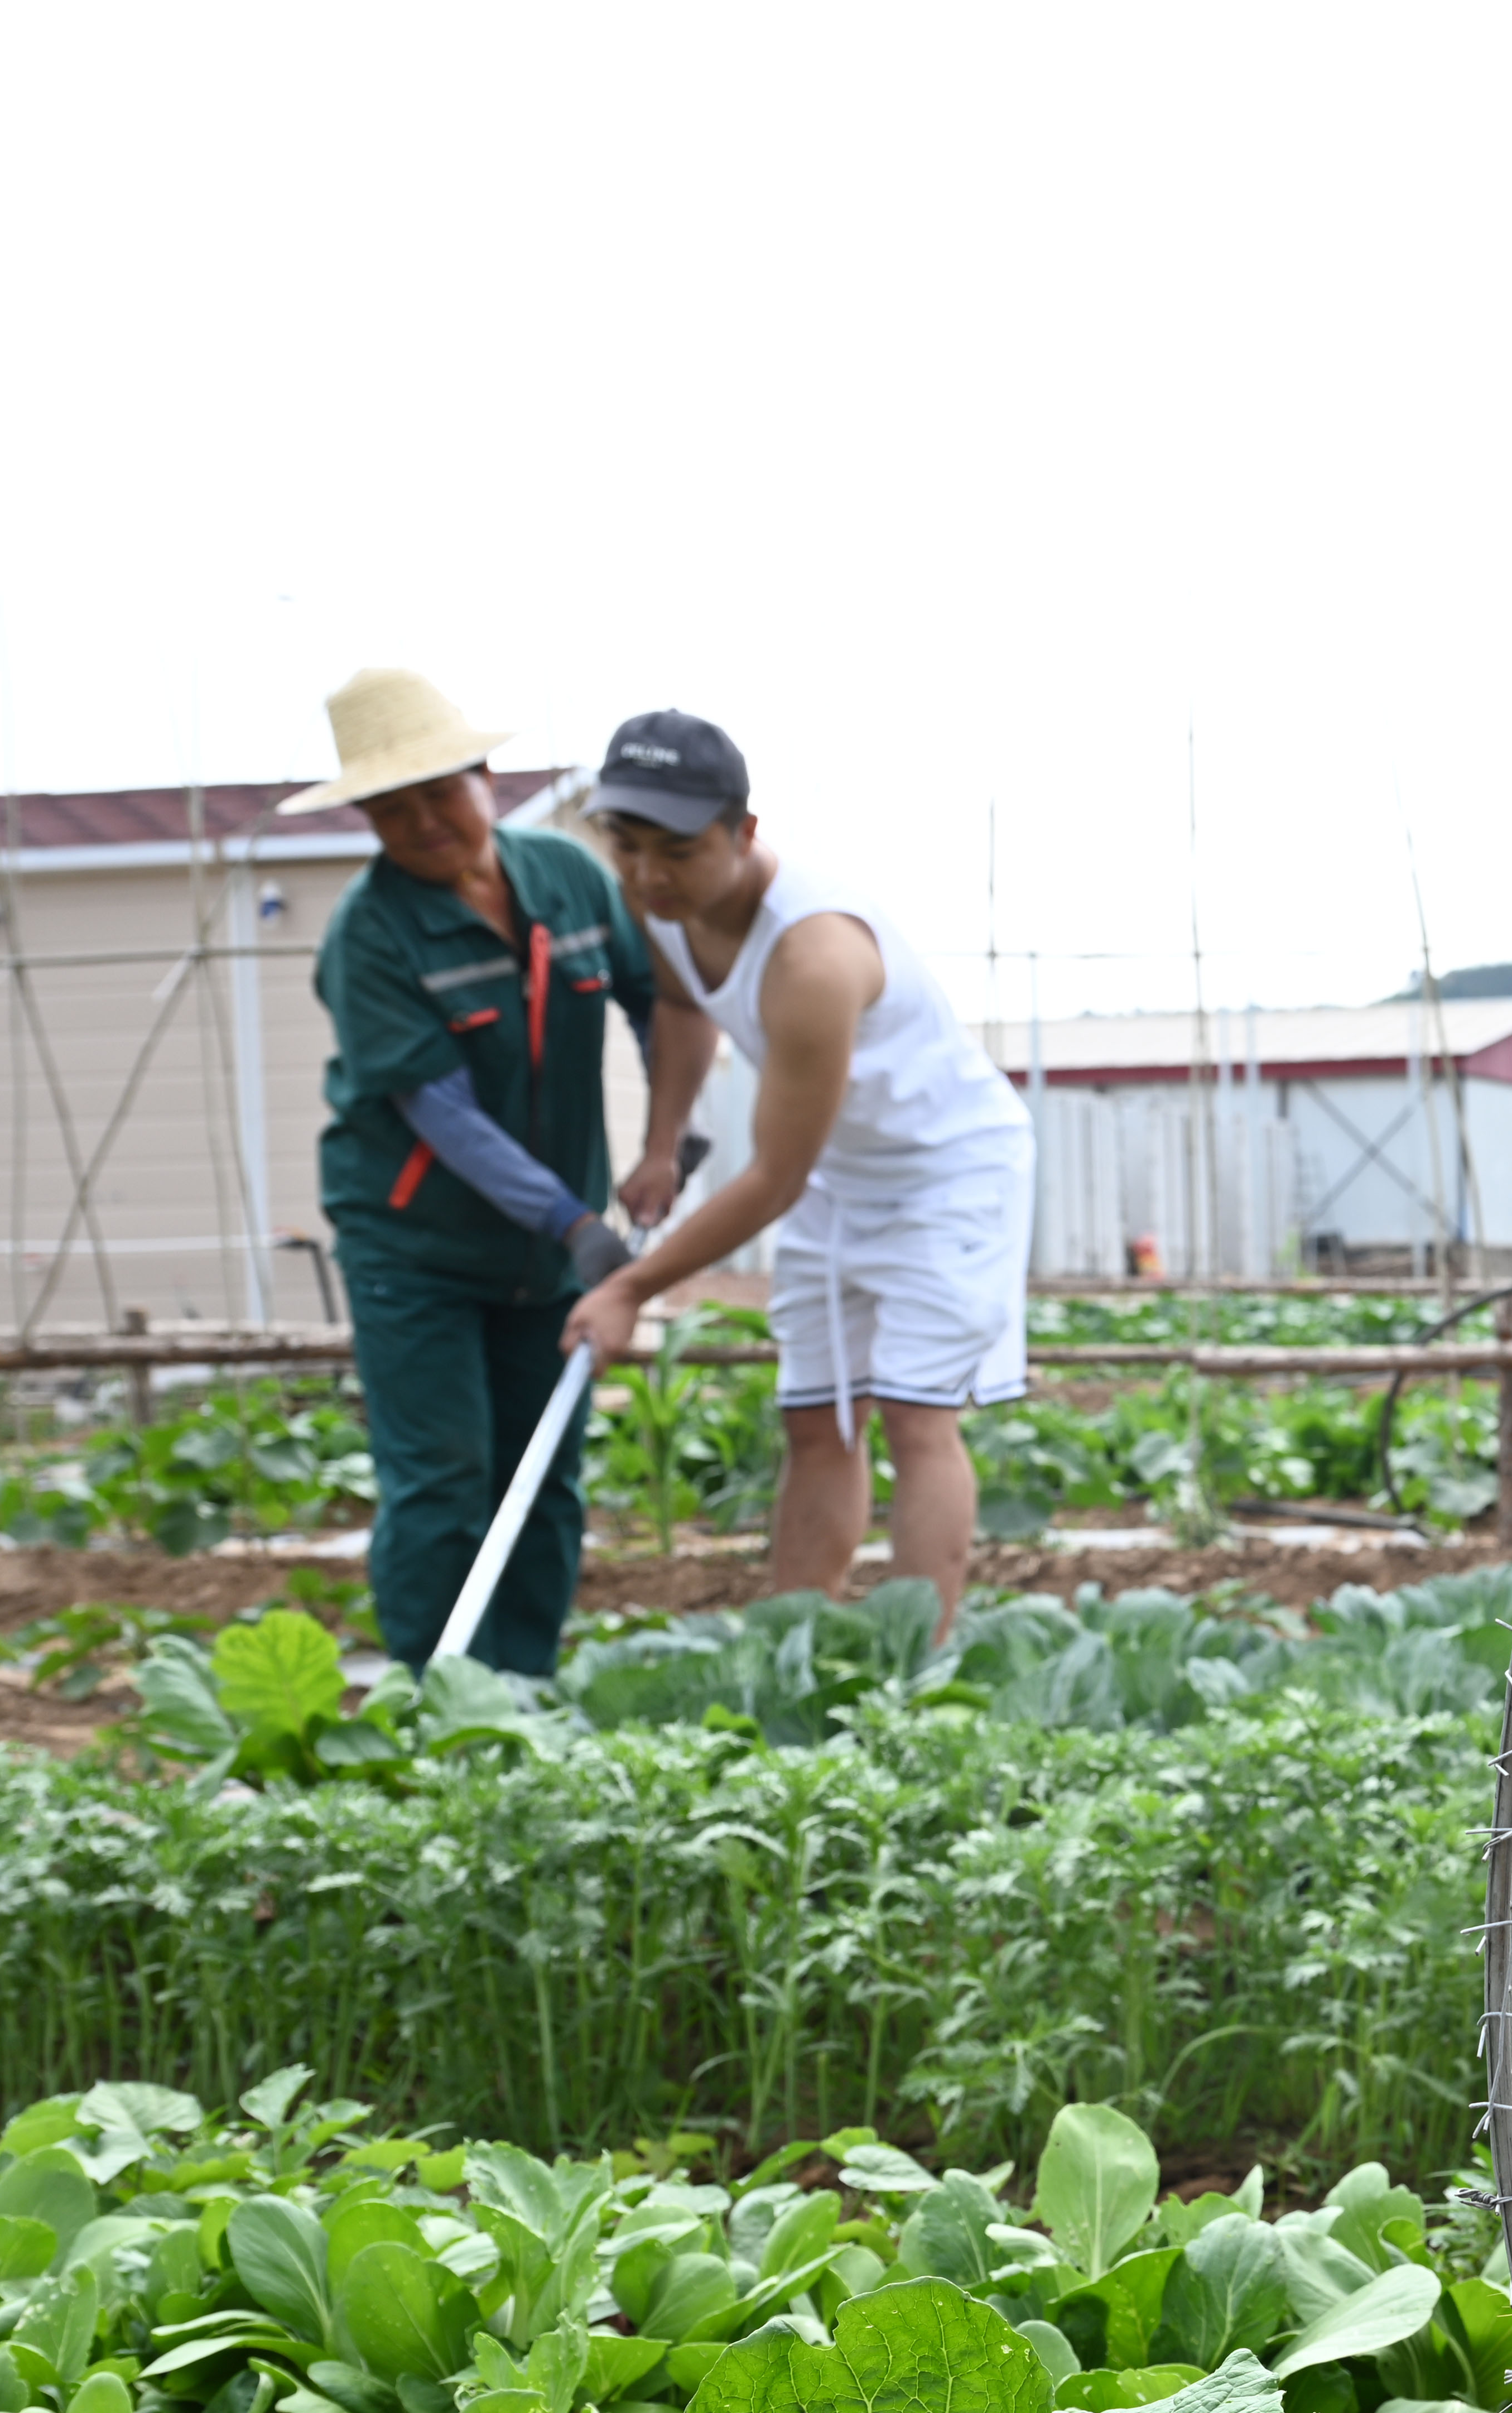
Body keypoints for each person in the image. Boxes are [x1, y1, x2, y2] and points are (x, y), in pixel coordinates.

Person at [565, 710, 1034, 1630]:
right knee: (818, 1418)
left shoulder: (814, 955)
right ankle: (791, 1648)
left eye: (678, 850)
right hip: (840, 1174)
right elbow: (679, 1004)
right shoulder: (656, 901)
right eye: (626, 847)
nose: (649, 874)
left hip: (946, 1172)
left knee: (912, 1414)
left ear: (743, 833)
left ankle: (915, 1670)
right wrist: (664, 1143)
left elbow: (774, 1177)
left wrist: (632, 1286)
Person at [290, 667, 654, 1675]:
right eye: (392, 807)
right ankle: (438, 1699)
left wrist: (666, 1140)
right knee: (443, 1480)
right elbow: (440, 1112)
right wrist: (575, 1220)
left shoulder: (569, 878)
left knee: (546, 1476)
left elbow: (654, 996)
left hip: (548, 1250)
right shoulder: (372, 935)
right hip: (417, 1249)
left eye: (440, 791)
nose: (423, 822)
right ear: (364, 815)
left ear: (484, 777)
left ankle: (523, 1695)